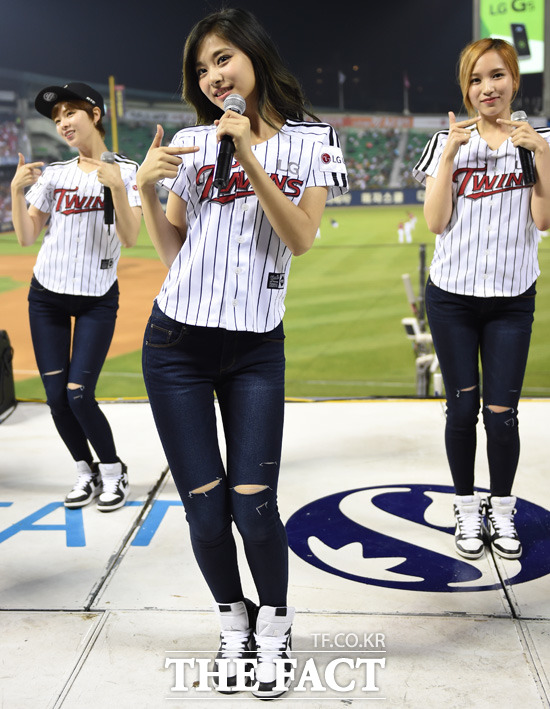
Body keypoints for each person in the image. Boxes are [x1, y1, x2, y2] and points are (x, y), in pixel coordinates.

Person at [137, 8, 347, 699]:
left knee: (254, 506)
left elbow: (300, 238)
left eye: (223, 58)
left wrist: (249, 154)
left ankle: (276, 626)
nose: (213, 76)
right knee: (204, 511)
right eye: (201, 68)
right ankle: (235, 622)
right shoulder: (193, 144)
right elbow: (174, 254)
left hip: (256, 349)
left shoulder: (313, 140)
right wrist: (147, 191)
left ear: (254, 56)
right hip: (176, 344)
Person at [413, 38, 550, 561]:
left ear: (514, 79)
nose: (486, 88)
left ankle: (503, 508)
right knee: (462, 408)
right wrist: (450, 153)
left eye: (496, 75)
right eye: (475, 79)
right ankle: (466, 507)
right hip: (452, 297)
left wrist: (540, 154)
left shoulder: (541, 140)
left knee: (502, 413)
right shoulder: (446, 141)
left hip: (512, 298)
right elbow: (435, 222)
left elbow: (543, 219)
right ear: (465, 89)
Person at [10, 82, 142, 512]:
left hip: (96, 298)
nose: (63, 122)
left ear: (95, 114)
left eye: (71, 112)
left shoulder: (127, 171)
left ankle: (113, 469)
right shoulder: (55, 174)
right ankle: (85, 471)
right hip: (46, 296)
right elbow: (27, 236)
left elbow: (130, 237)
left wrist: (116, 187)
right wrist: (15, 192)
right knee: (56, 399)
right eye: (57, 117)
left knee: (79, 394)